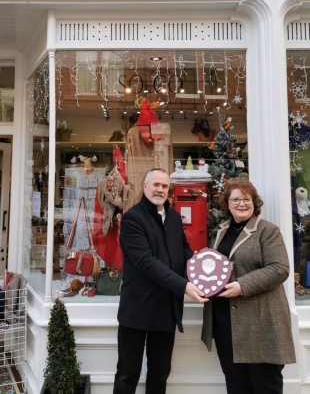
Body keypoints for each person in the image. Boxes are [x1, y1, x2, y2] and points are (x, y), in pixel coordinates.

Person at [113, 168, 208, 394]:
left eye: (165, 186)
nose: (160, 190)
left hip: (166, 309)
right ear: (145, 186)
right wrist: (184, 285)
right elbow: (146, 262)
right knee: (128, 374)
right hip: (137, 309)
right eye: (156, 184)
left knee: (160, 373)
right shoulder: (132, 219)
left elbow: (182, 249)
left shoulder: (174, 217)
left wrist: (200, 264)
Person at [202, 179, 296, 394]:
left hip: (260, 322)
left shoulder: (267, 231)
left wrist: (242, 285)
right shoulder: (220, 231)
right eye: (235, 199)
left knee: (265, 386)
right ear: (227, 203)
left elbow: (280, 268)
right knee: (236, 385)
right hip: (225, 319)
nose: (241, 204)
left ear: (255, 203)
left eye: (246, 199)